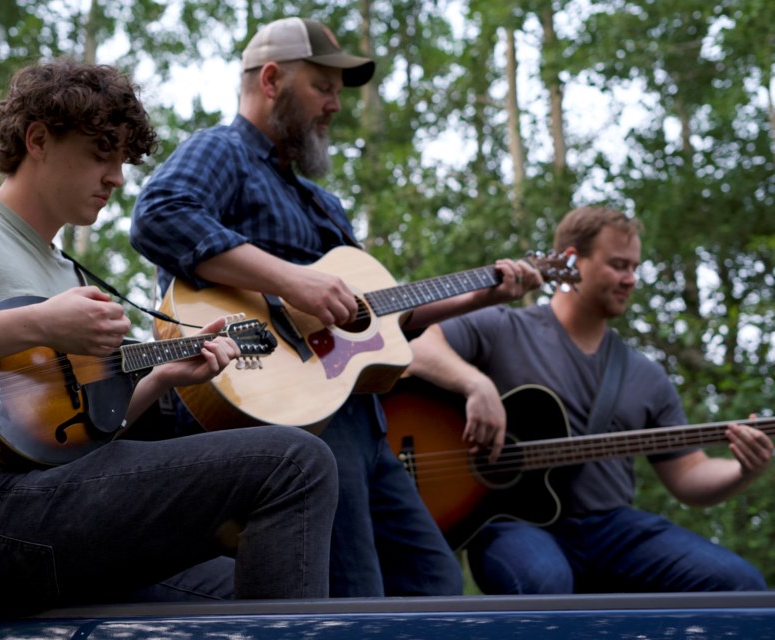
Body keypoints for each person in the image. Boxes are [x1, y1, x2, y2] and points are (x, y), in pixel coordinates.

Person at [0, 59, 339, 618]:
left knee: (229, 591)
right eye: (102, 152)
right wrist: (38, 324)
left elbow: (79, 438)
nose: (117, 178)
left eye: (123, 160)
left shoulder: (69, 275)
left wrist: (166, 377)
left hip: (48, 511)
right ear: (38, 139)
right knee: (294, 463)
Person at [130, 16, 540, 597]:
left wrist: (482, 295)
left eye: (338, 94)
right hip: (294, 416)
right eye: (323, 87)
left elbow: (377, 322)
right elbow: (160, 215)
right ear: (271, 79)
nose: (335, 106)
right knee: (356, 598)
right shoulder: (221, 150)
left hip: (363, 422)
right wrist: (293, 283)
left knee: (437, 588)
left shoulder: (322, 201)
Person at [406, 205, 772, 594]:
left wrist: (743, 469)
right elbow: (417, 347)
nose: (630, 279)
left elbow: (688, 476)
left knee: (739, 583)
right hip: (515, 526)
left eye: (634, 267)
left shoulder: (646, 376)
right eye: (618, 265)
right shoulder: (502, 327)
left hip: (613, 529)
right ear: (571, 261)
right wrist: (475, 384)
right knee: (543, 583)